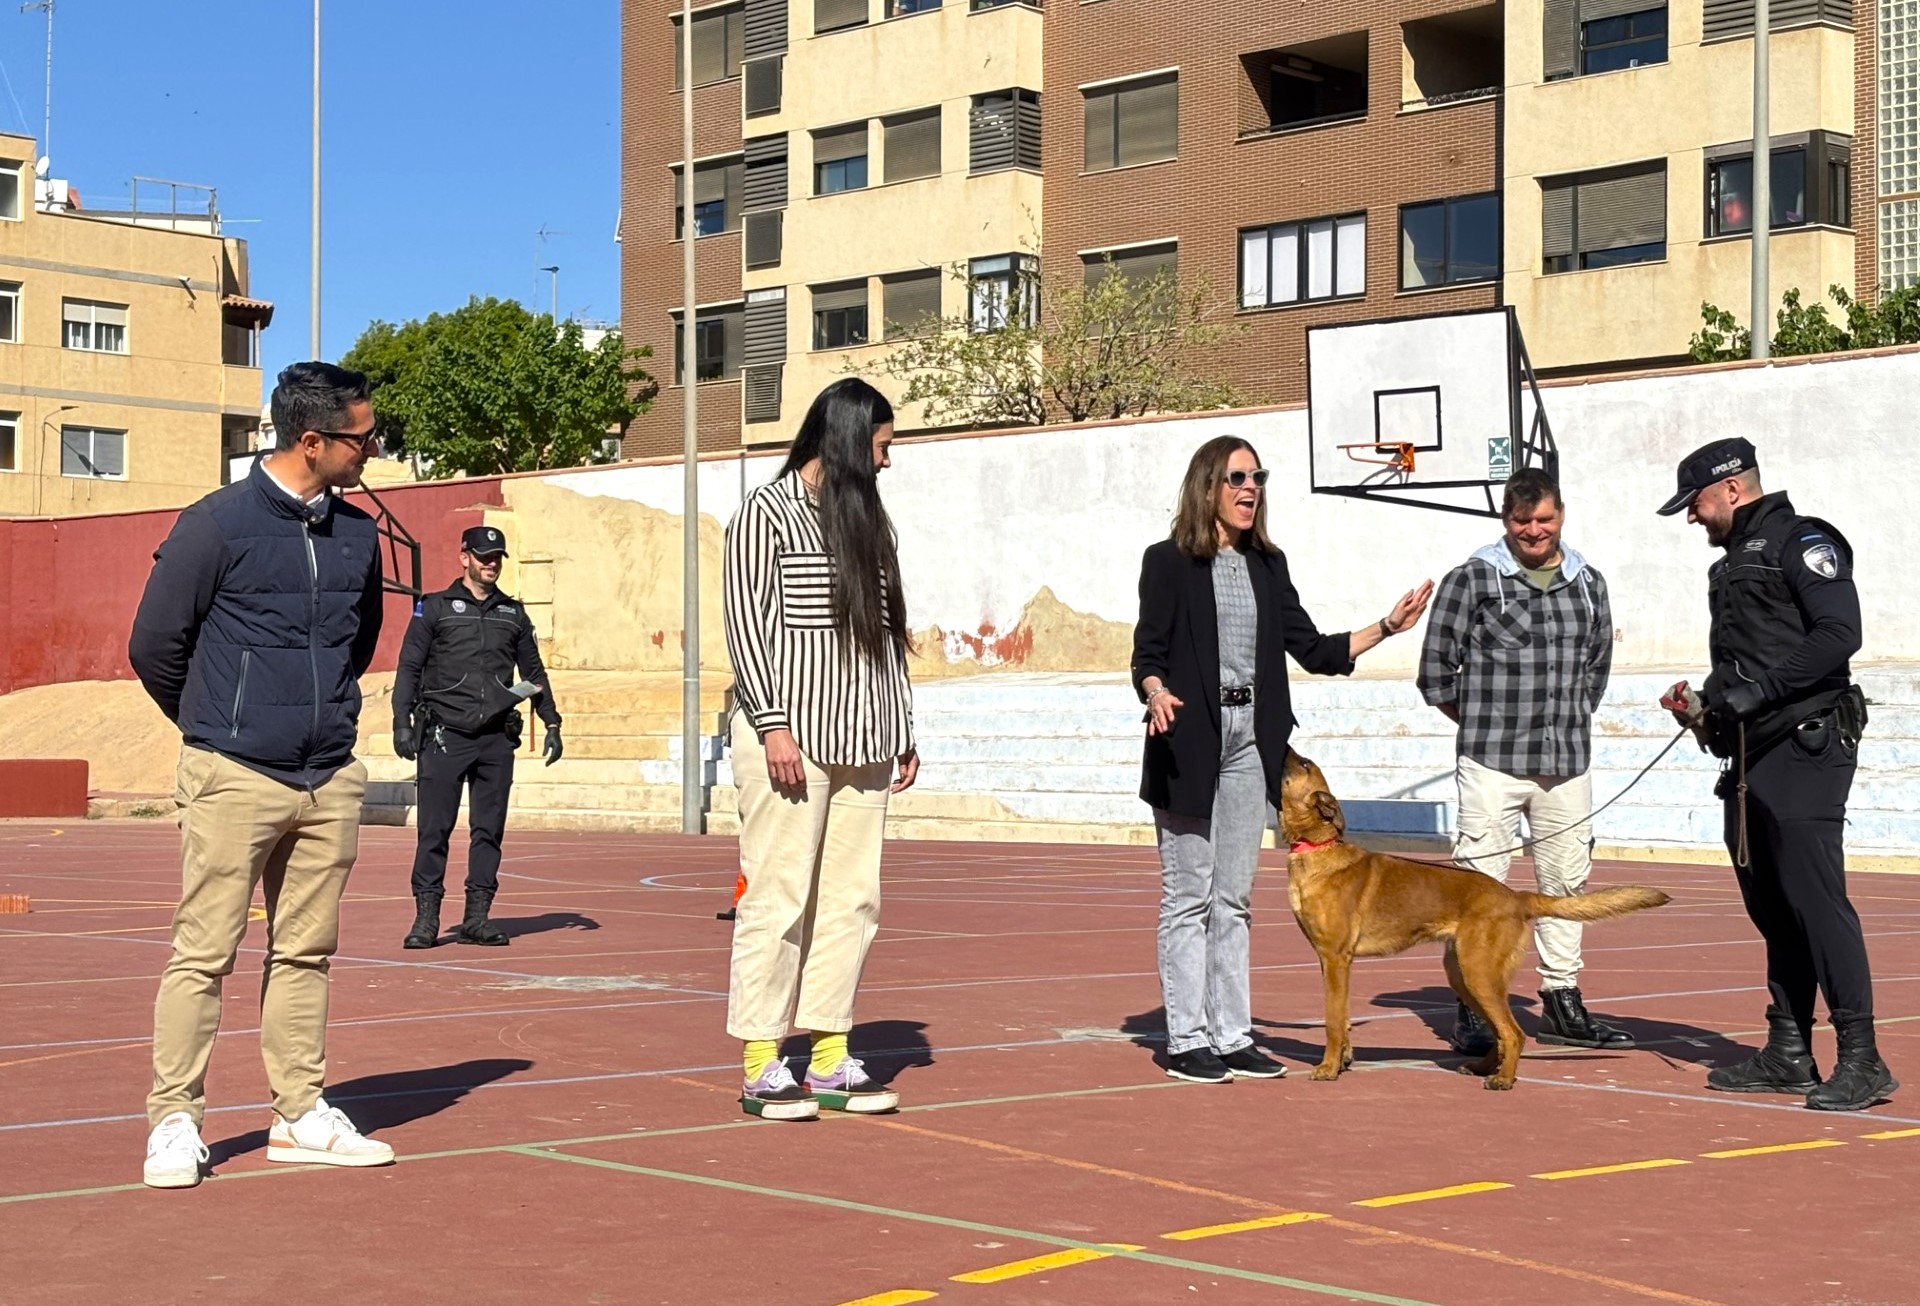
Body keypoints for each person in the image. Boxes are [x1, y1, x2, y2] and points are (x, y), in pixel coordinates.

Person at [128, 361, 395, 1188]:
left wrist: (325, 726)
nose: (372, 450)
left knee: (306, 952)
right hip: (233, 772)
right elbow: (155, 645)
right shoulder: (215, 525)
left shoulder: (359, 535)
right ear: (312, 441)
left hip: (327, 776)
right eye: (362, 438)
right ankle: (174, 1121)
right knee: (203, 954)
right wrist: (219, 727)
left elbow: (356, 645)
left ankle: (300, 1113)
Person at [1130, 436, 1432, 1084]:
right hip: (1188, 738)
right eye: (1238, 478)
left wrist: (1386, 626)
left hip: (1252, 743)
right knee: (1189, 896)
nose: (1251, 489)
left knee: (1233, 898)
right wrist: (1156, 693)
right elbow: (1147, 654)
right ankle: (1187, 1039)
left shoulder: (1268, 565)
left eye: (1258, 478)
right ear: (1208, 486)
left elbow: (1313, 648)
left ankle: (1233, 1035)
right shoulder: (1167, 561)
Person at [1657, 438, 1895, 1111]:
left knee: (1816, 901)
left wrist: (1758, 693)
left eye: (1696, 502)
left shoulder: (1803, 540)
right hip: (1750, 752)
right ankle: (1789, 1051)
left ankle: (1863, 1059)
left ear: (1732, 488)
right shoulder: (1730, 563)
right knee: (1773, 906)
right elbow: (1747, 661)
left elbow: (1838, 634)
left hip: (1806, 744)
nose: (1691, 516)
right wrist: (1704, 704)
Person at [722, 378, 920, 1120]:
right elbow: (746, 627)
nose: (886, 462)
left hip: (867, 739)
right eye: (880, 447)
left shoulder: (869, 523)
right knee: (779, 896)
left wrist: (902, 724)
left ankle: (831, 1057)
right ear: (844, 440)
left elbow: (887, 635)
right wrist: (772, 724)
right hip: (790, 742)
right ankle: (762, 1063)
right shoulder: (764, 514)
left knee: (852, 900)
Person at [1418, 469, 1632, 1057]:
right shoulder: (1473, 579)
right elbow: (1435, 671)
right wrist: (1483, 723)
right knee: (1476, 891)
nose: (1534, 531)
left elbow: (1597, 666)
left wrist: (1569, 718)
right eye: (1522, 521)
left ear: (1561, 515)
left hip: (1566, 763)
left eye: (1544, 519)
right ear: (1505, 521)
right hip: (1492, 762)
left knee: (1566, 884)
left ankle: (1562, 1000)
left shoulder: (1588, 582)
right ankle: (1472, 1006)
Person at [391, 525, 563, 949]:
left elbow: (534, 674)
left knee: (488, 831)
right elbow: (409, 667)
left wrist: (552, 722)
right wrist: (401, 722)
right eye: (484, 556)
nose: (491, 563)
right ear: (464, 557)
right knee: (434, 831)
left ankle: (477, 918)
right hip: (444, 735)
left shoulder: (513, 614)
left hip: (495, 739)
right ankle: (426, 919)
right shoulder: (434, 608)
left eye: (497, 557)